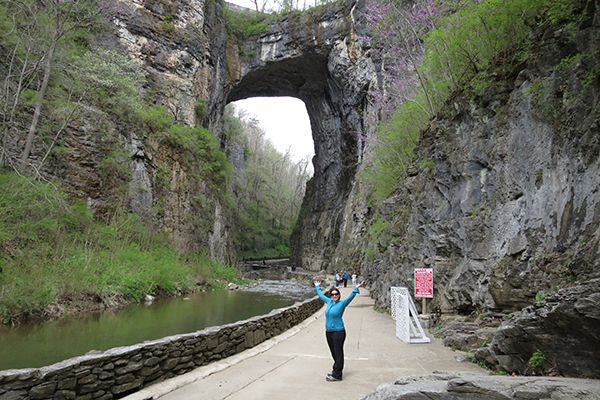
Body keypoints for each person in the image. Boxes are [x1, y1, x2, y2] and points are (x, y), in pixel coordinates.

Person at [314, 279, 365, 382]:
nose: (334, 296)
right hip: (329, 332)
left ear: (339, 295)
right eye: (332, 294)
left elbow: (350, 297)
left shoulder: (342, 304)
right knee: (333, 352)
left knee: (338, 353)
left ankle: (337, 375)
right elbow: (321, 295)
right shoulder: (329, 302)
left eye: (336, 294)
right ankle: (336, 371)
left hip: (338, 332)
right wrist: (317, 286)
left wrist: (356, 288)